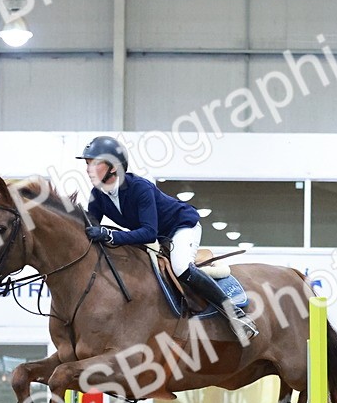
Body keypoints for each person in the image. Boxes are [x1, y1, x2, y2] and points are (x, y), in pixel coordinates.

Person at [76, 136, 258, 342]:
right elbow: (91, 229)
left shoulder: (139, 188)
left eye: (94, 163)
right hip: (157, 236)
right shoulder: (97, 194)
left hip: (181, 227)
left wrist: (111, 235)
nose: (88, 169)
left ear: (114, 166)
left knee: (180, 267)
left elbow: (148, 233)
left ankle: (235, 314)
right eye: (87, 163)